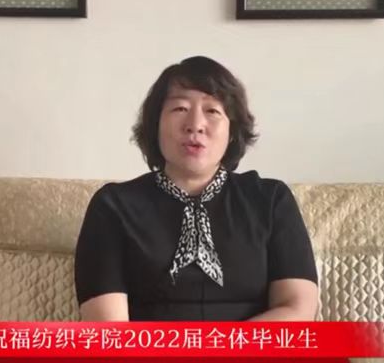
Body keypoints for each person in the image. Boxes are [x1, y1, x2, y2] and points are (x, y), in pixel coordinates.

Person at [74, 56, 318, 321]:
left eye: (212, 111)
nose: (195, 125)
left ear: (232, 130)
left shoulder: (270, 200)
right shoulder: (113, 206)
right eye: (179, 108)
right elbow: (110, 328)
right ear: (155, 125)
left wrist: (223, 345)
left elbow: (298, 308)